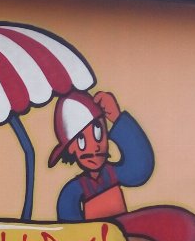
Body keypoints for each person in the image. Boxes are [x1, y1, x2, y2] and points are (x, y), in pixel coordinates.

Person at [48, 90, 154, 222]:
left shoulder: (112, 173)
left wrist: (117, 118)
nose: (95, 147)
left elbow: (140, 168)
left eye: (98, 133)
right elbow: (71, 227)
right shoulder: (73, 190)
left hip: (122, 232)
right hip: (95, 236)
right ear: (71, 149)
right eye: (81, 140)